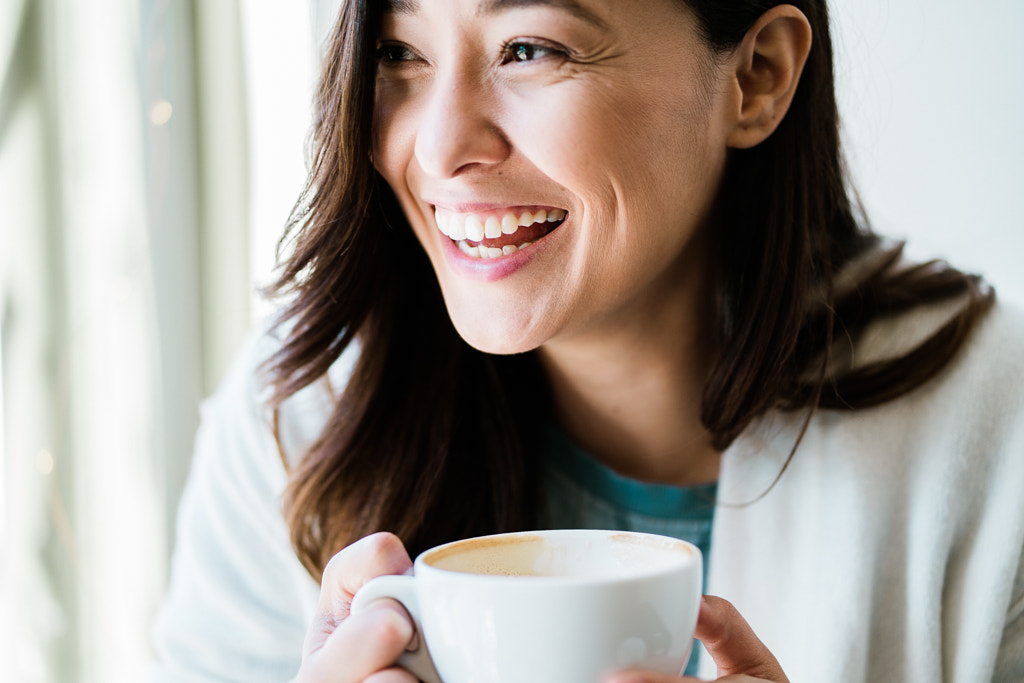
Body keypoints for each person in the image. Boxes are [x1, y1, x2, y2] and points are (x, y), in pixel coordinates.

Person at [151, 0, 1024, 681]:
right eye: (398, 52)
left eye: (530, 48)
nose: (441, 146)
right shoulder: (301, 425)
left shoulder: (997, 437)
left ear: (758, 76)